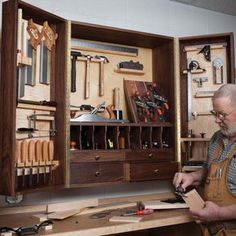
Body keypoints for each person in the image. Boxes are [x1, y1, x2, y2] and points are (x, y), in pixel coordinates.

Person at [173, 84, 236, 236]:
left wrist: (219, 213)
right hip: (212, 231)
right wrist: (192, 177)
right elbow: (209, 172)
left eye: (222, 114)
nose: (216, 120)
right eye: (214, 113)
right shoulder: (216, 138)